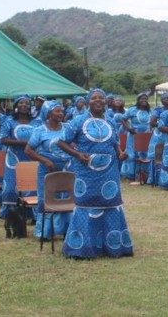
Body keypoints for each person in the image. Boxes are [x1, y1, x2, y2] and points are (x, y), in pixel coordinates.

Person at [58, 88, 132, 258]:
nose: (98, 101)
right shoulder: (77, 121)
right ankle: (83, 248)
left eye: (101, 98)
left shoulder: (111, 121)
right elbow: (61, 142)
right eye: (94, 98)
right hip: (86, 173)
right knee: (86, 204)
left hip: (109, 173)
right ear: (87, 102)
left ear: (106, 102)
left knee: (110, 204)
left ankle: (112, 246)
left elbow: (115, 143)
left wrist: (120, 153)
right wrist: (77, 154)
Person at [24, 100, 72, 239]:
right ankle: (44, 232)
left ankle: (66, 230)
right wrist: (45, 160)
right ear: (48, 113)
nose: (61, 113)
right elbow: (28, 150)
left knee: (66, 198)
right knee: (47, 199)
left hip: (67, 169)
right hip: (47, 170)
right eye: (57, 111)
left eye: (62, 111)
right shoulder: (40, 130)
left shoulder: (67, 128)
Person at [0, 95, 42, 219]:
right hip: (13, 158)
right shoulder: (9, 121)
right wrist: (25, 143)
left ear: (30, 106)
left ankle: (31, 214)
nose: (24, 105)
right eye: (21, 103)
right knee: (10, 189)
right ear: (16, 106)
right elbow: (3, 139)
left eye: (27, 103)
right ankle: (10, 213)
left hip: (31, 157)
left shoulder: (37, 122)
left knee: (32, 187)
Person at [121, 93, 152, 184]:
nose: (144, 100)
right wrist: (128, 128)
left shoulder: (149, 111)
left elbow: (152, 121)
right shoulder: (132, 110)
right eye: (142, 99)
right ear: (138, 100)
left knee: (144, 155)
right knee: (132, 155)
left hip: (146, 136)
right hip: (134, 135)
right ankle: (131, 176)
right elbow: (123, 119)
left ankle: (143, 177)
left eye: (145, 99)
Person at [146, 93, 168, 184]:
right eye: (164, 98)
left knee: (167, 155)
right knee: (156, 155)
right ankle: (154, 178)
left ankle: (166, 179)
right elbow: (152, 123)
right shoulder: (158, 110)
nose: (167, 100)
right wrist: (162, 125)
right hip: (159, 134)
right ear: (161, 101)